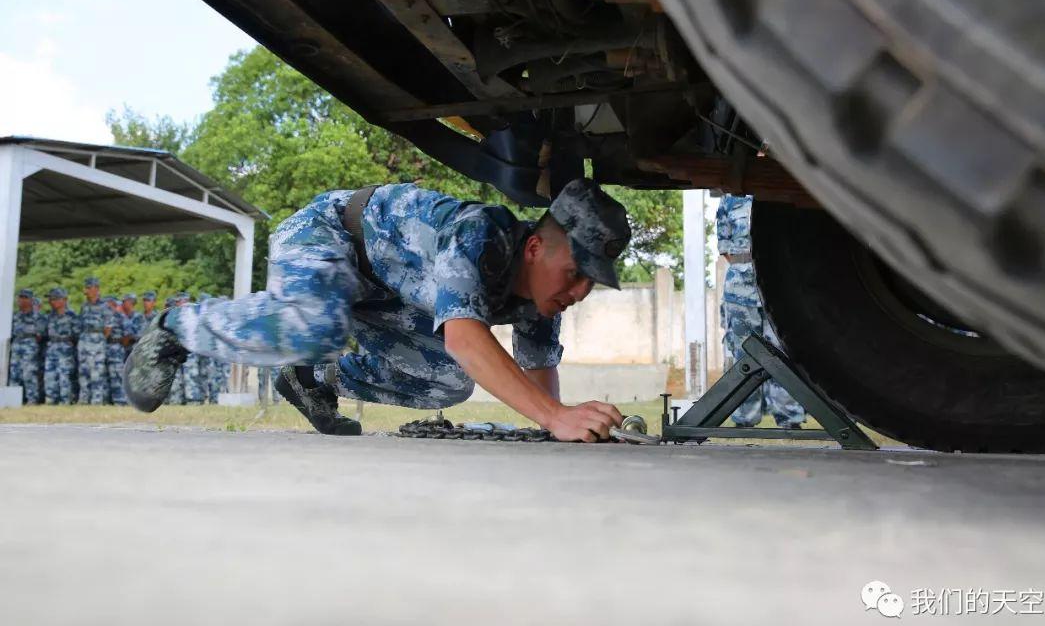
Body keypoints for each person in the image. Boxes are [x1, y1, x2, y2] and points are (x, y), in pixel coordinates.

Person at [126, 180, 629, 440]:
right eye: (575, 273)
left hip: (390, 294)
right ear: (536, 248)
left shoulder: (543, 300)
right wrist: (557, 416)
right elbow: (465, 338)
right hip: (335, 236)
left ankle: (313, 380)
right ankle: (176, 327)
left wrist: (561, 424)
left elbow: (539, 371)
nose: (580, 290)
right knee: (316, 324)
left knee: (448, 383)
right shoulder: (481, 233)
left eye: (592, 281)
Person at [716, 194, 805, 429]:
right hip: (739, 288)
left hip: (777, 285)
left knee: (783, 352)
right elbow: (724, 246)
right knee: (743, 352)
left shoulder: (775, 196)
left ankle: (789, 417)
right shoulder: (729, 200)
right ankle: (746, 418)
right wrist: (747, 264)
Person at [77, 277, 111, 405]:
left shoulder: (104, 306)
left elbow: (108, 328)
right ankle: (84, 399)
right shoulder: (84, 306)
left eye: (88, 288)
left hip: (97, 343)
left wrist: (99, 340)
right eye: (85, 287)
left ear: (96, 289)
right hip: (84, 342)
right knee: (83, 371)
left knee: (97, 372)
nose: (85, 290)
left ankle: (97, 399)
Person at [9, 289, 45, 404]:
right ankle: (12, 400)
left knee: (29, 373)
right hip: (16, 345)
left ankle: (32, 400)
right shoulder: (14, 316)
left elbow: (41, 335)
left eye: (25, 298)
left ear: (31, 300)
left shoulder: (38, 317)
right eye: (20, 297)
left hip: (30, 347)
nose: (22, 300)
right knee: (14, 373)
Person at [44, 287, 79, 405]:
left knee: (64, 376)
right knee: (49, 375)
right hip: (51, 348)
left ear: (63, 300)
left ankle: (65, 401)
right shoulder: (49, 316)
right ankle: (50, 400)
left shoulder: (72, 316)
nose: (51, 302)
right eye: (51, 299)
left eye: (54, 299)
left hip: (66, 350)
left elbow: (77, 334)